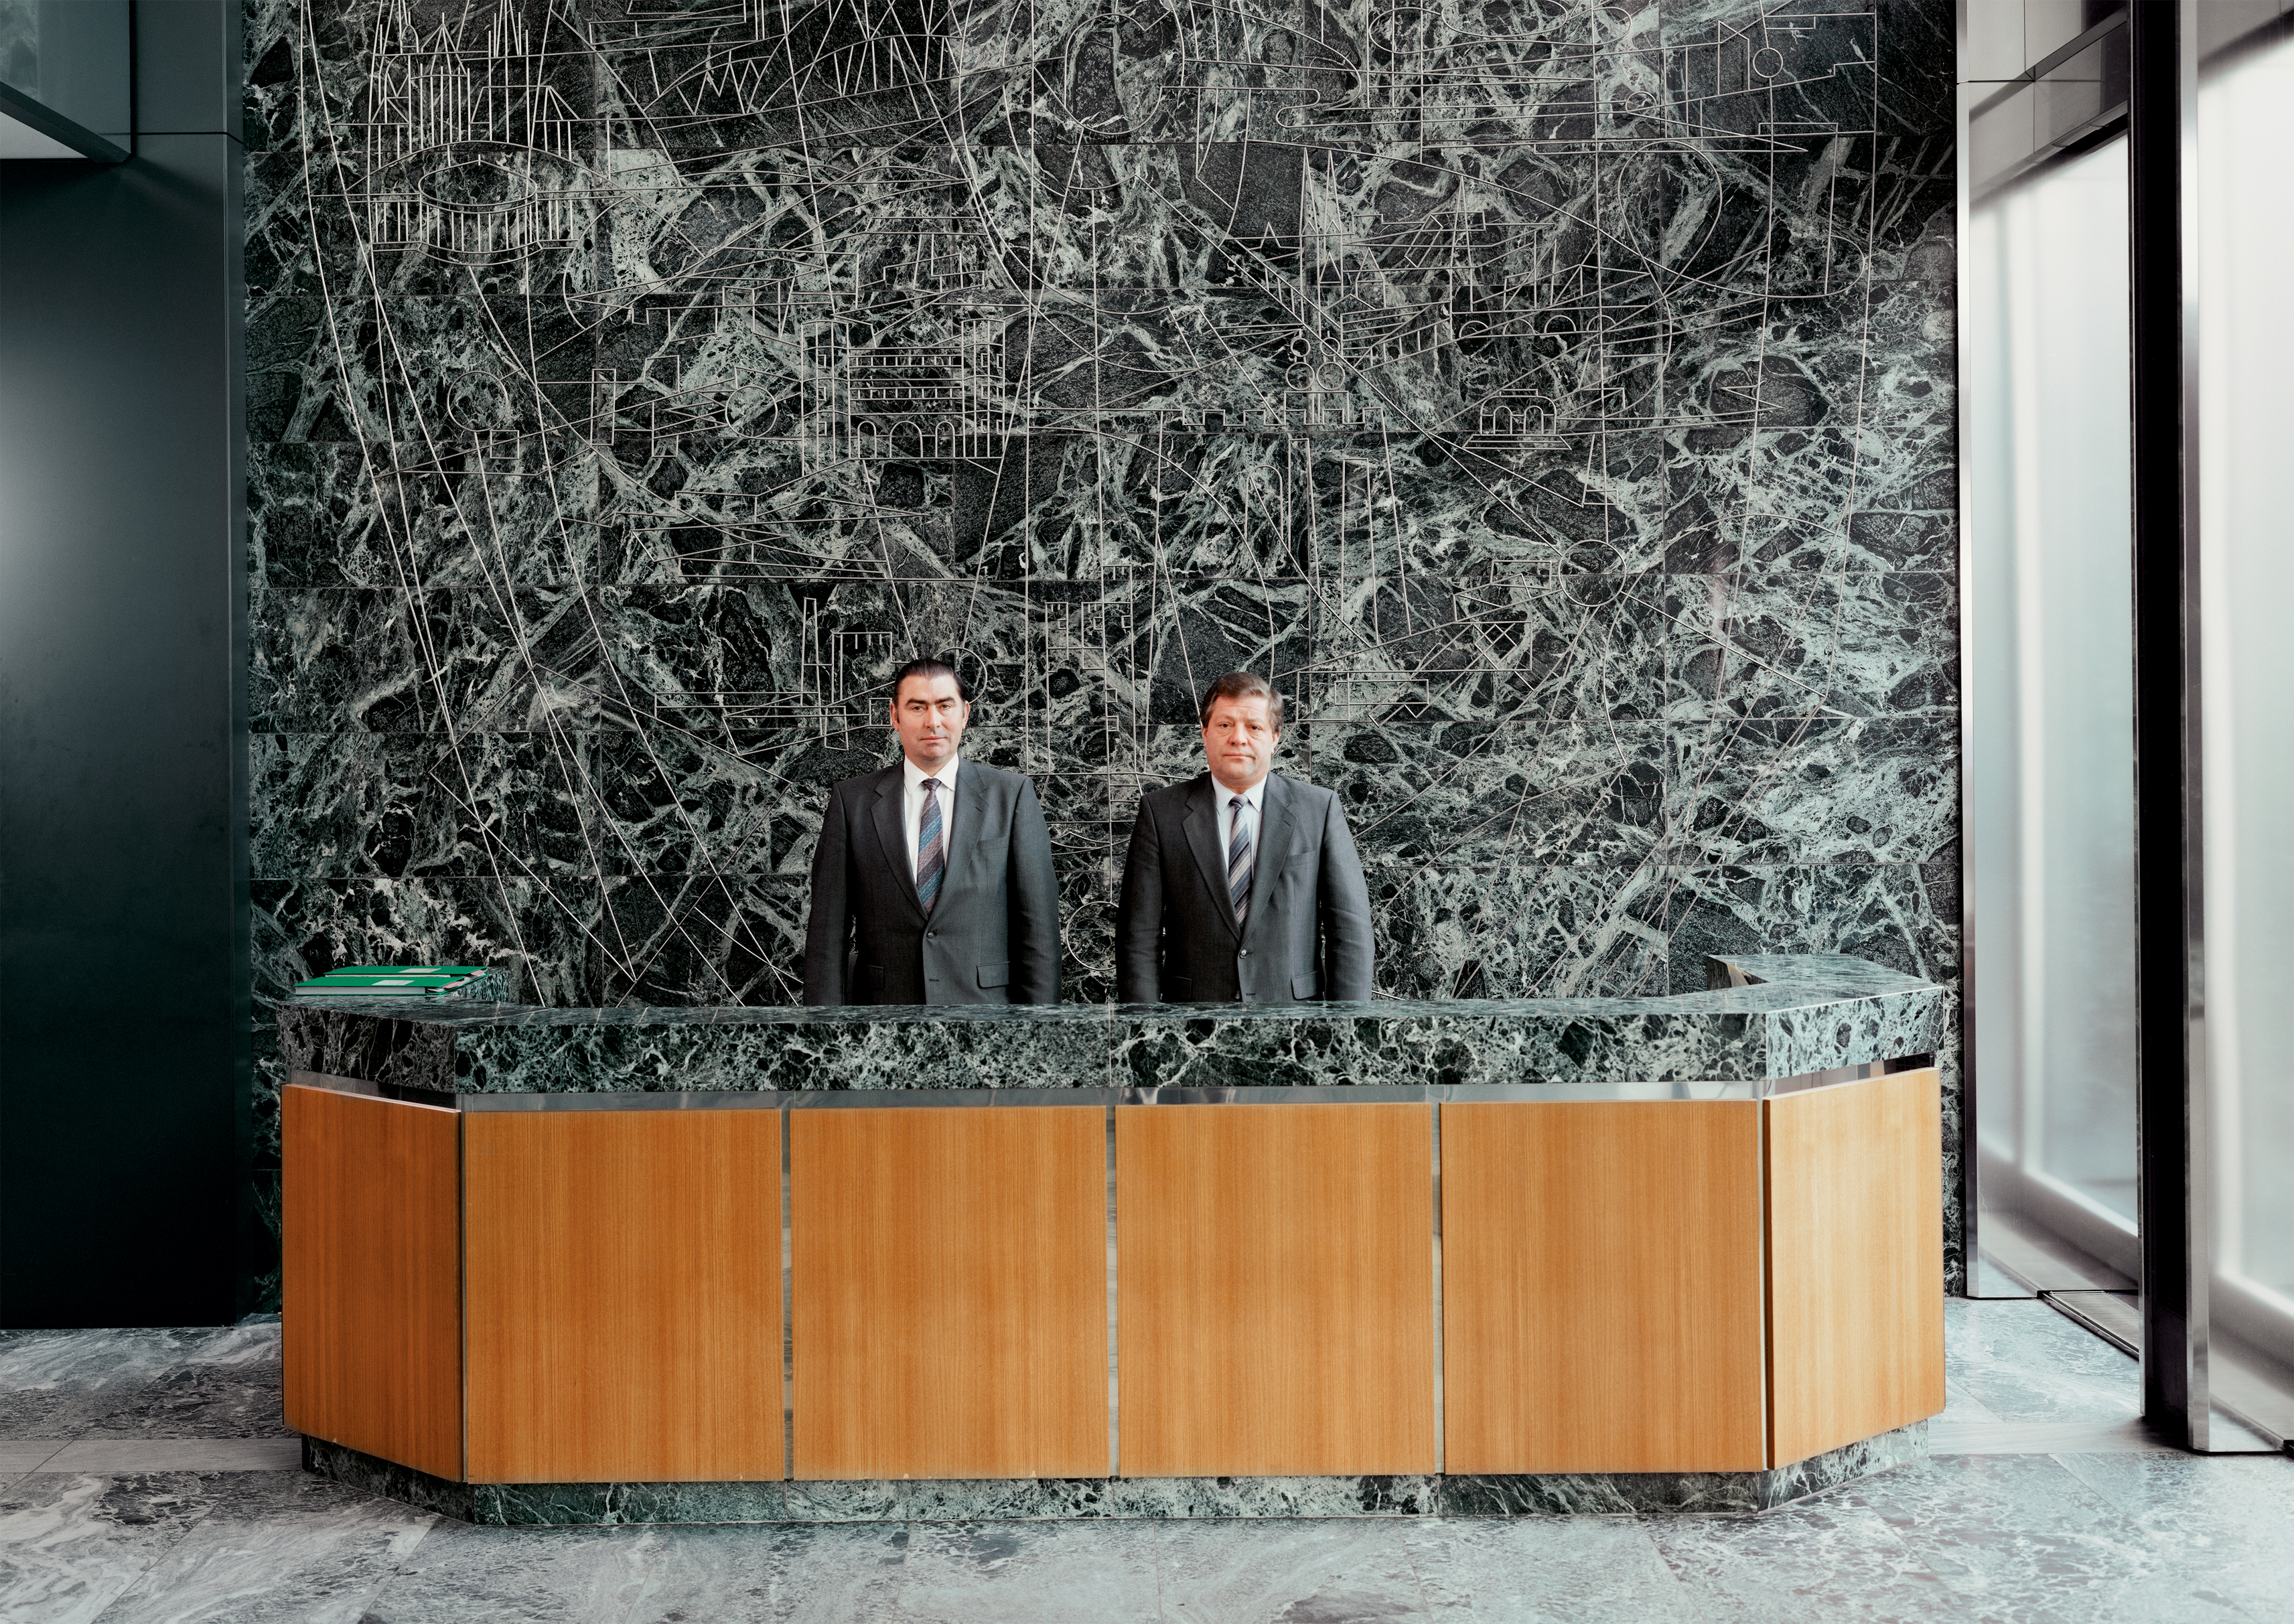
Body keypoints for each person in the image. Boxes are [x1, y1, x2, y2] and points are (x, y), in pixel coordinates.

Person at [802, 657, 1060, 1005]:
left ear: (965, 714)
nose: (933, 721)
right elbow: (826, 936)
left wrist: (1039, 1034)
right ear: (894, 716)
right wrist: (824, 1037)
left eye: (944, 706)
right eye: (917, 707)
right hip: (882, 1020)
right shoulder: (852, 803)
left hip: (988, 1020)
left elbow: (1040, 933)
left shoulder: (1011, 797)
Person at [1115, 670, 1374, 1004]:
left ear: (1275, 737)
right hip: (1190, 1025)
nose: (1239, 738)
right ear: (1205, 732)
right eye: (1225, 725)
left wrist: (1348, 1030)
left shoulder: (1318, 809)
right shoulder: (1160, 812)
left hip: (1295, 1025)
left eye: (1254, 727)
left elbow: (1350, 931)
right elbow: (1138, 937)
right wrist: (1144, 1032)